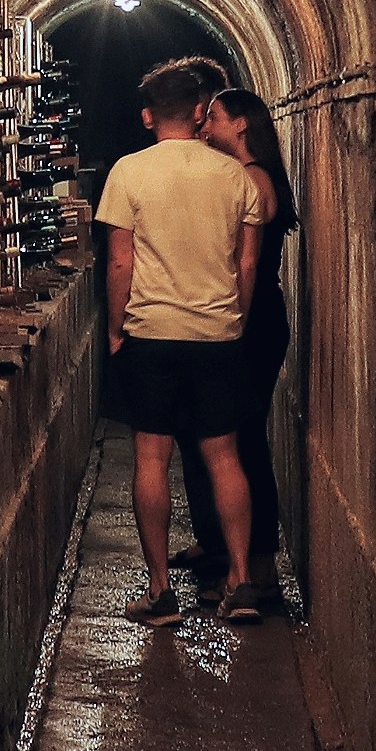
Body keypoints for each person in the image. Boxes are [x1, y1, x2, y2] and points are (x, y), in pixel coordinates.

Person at [93, 56, 270, 625]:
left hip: (153, 333)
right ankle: (241, 581)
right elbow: (247, 264)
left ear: (148, 115)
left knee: (152, 456)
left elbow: (119, 262)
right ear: (199, 112)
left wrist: (117, 329)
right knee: (224, 456)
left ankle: (161, 590)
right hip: (218, 333)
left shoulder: (128, 172)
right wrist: (233, 322)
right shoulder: (234, 176)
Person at [185, 83, 293, 608]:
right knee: (241, 440)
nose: (206, 130)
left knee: (245, 443)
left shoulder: (252, 180)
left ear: (241, 124)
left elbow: (242, 260)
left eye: (215, 120)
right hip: (255, 317)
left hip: (251, 320)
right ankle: (245, 564)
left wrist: (234, 325)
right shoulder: (255, 175)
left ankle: (257, 571)